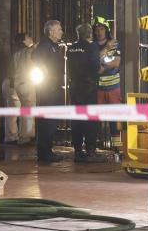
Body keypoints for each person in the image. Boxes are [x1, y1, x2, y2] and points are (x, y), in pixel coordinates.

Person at [67, 23, 105, 163]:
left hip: (75, 87)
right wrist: (102, 69)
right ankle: (90, 150)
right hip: (88, 87)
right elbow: (95, 65)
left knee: (77, 119)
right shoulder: (92, 46)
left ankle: (77, 150)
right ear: (89, 34)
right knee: (90, 119)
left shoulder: (70, 49)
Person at [31, 20, 66, 162]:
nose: (61, 31)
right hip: (49, 89)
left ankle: (47, 150)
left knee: (50, 120)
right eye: (59, 29)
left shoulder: (54, 46)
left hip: (54, 87)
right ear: (51, 32)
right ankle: (44, 152)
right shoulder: (45, 45)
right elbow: (36, 58)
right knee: (47, 120)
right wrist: (45, 73)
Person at [94, 21, 122, 149]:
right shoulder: (93, 45)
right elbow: (93, 61)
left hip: (113, 86)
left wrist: (102, 69)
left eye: (102, 29)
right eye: (97, 29)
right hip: (98, 87)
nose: (99, 32)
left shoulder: (115, 44)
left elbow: (116, 63)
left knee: (114, 117)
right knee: (96, 118)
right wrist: (105, 50)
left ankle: (116, 146)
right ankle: (96, 144)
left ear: (107, 30)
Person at [11, 33, 37, 145]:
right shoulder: (29, 51)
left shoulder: (16, 54)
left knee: (23, 109)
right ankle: (27, 136)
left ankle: (22, 136)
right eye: (28, 37)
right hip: (27, 82)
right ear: (24, 42)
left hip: (18, 82)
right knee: (29, 108)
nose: (31, 38)